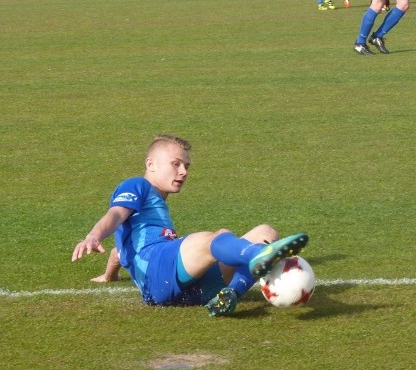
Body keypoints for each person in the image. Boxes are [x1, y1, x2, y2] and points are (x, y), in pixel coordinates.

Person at [71, 135, 309, 316]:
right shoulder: (137, 186)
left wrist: (108, 275)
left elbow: (120, 252)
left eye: (186, 166)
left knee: (265, 232)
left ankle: (231, 295)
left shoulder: (153, 211)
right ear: (151, 164)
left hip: (190, 289)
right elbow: (116, 214)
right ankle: (258, 255)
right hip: (158, 275)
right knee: (214, 238)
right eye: (176, 164)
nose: (183, 172)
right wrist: (94, 235)